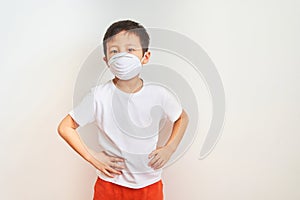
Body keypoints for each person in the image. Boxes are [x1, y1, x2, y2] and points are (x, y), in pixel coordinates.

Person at [57, 19, 189, 200]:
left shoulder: (159, 94)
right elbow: (65, 127)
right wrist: (93, 157)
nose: (122, 56)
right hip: (110, 184)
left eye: (130, 49)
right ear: (106, 60)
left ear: (145, 57)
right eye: (114, 51)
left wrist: (169, 148)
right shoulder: (98, 96)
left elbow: (182, 117)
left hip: (149, 184)